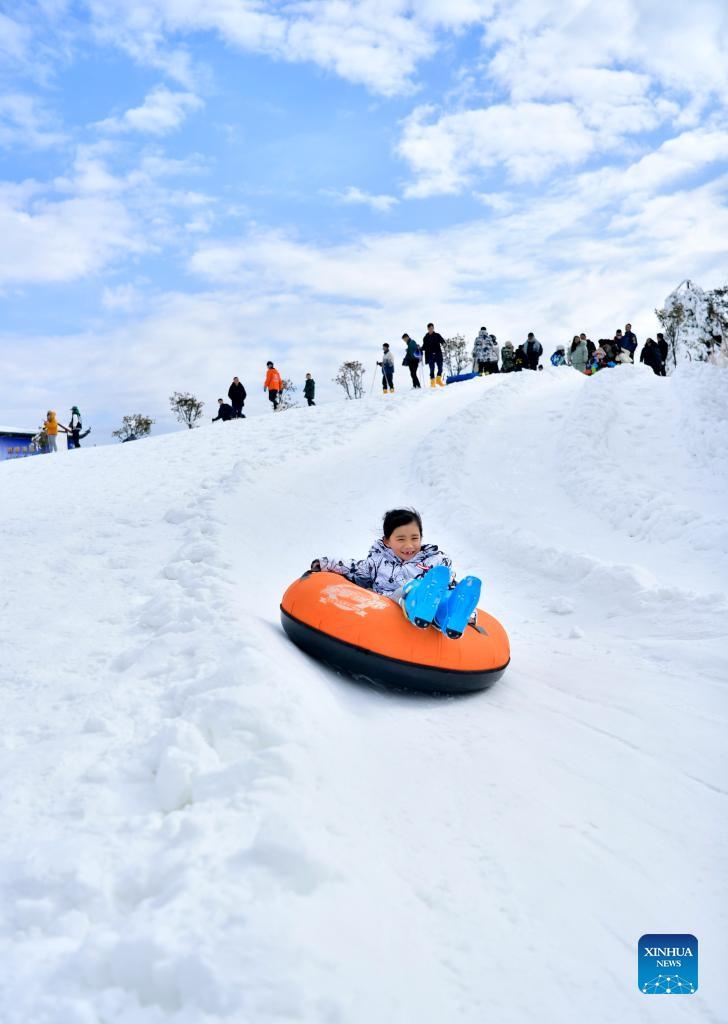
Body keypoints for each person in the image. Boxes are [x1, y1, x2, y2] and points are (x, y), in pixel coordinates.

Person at [310, 508, 482, 641]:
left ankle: (451, 617)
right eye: (401, 539)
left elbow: (449, 585)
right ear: (387, 541)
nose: (409, 545)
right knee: (412, 588)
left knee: (444, 593)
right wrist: (326, 563)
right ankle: (424, 607)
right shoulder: (377, 561)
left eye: (415, 538)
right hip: (397, 600)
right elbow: (354, 567)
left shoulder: (435, 560)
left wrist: (470, 614)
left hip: (433, 599)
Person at [422, 323, 446, 387]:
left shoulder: (437, 335)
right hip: (430, 355)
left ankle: (438, 380)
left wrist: (444, 344)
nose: (431, 329)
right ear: (428, 329)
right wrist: (420, 349)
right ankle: (432, 382)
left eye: (432, 328)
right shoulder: (425, 338)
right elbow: (424, 346)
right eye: (430, 328)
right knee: (432, 369)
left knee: (440, 368)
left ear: (433, 328)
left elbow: (442, 341)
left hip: (438, 354)